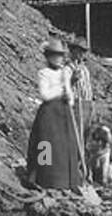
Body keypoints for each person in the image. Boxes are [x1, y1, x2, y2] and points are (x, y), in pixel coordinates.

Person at [26, 38, 84, 189]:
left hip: (64, 112)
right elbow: (44, 94)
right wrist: (61, 91)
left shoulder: (65, 72)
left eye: (61, 55)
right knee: (46, 145)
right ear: (48, 56)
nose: (59, 58)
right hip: (49, 114)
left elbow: (70, 94)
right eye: (55, 55)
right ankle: (45, 178)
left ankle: (67, 181)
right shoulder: (43, 73)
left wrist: (69, 94)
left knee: (66, 146)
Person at [68, 36, 94, 133]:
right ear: (73, 50)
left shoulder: (84, 69)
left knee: (85, 134)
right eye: (79, 51)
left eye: (83, 51)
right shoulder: (68, 68)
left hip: (87, 104)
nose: (82, 54)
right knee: (76, 135)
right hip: (77, 105)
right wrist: (72, 80)